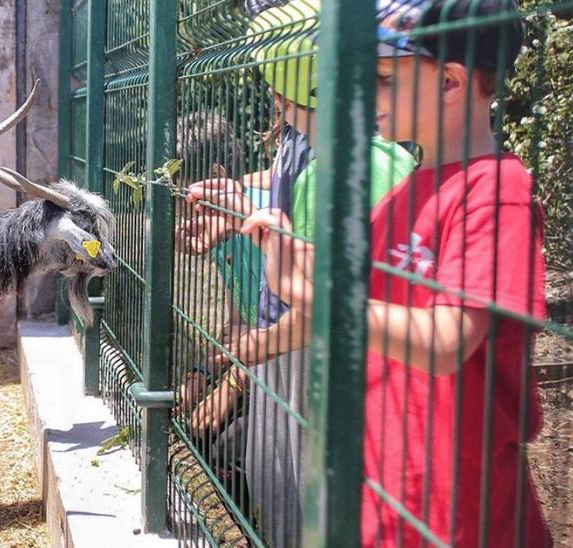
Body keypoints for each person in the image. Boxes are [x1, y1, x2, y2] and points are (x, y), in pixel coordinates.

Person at [237, 0, 552, 545]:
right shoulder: (401, 196)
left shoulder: (497, 194)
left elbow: (445, 342)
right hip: (383, 502)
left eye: (383, 78)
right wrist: (290, 248)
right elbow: (362, 295)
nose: (364, 93)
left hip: (460, 520)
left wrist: (307, 290)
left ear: (450, 83)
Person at [175, 1, 419, 545]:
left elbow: (317, 306)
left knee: (297, 501)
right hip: (290, 356)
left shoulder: (338, 166)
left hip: (315, 366)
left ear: (283, 91)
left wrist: (243, 360)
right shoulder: (311, 149)